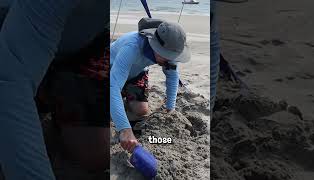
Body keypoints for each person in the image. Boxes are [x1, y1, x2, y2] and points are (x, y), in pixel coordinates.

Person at [0, 0, 108, 179]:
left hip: (82, 40)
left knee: (95, 154)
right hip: (12, 28)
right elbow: (11, 81)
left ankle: (48, 96)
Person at [110, 20, 191, 152]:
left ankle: (122, 103)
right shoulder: (131, 47)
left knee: (141, 110)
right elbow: (113, 87)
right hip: (111, 70)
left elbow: (172, 76)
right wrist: (124, 129)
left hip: (137, 74)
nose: (170, 60)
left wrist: (170, 108)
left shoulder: (170, 51)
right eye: (167, 56)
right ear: (154, 46)